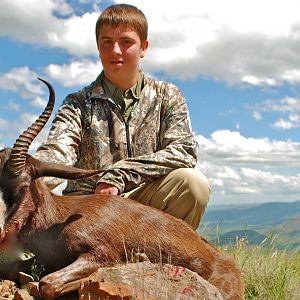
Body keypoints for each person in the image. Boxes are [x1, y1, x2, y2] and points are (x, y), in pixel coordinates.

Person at [34, 3, 210, 230]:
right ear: (98, 48)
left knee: (193, 184)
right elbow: (58, 154)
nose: (115, 51)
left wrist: (120, 174)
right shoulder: (77, 103)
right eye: (107, 42)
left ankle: (163, 259)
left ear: (143, 47)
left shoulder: (167, 95)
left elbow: (184, 151)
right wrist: (20, 178)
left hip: (144, 205)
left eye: (126, 42)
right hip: (88, 211)